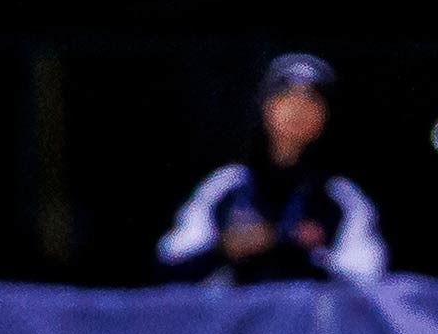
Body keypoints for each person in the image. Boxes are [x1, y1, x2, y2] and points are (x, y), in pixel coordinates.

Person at [158, 53, 386, 284]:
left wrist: (296, 249)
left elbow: (368, 283)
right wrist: (224, 249)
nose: (298, 108)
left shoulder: (343, 198)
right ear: (266, 106)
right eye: (285, 96)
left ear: (325, 115)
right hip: (237, 317)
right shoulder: (227, 185)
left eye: (312, 100)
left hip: (310, 318)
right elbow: (170, 265)